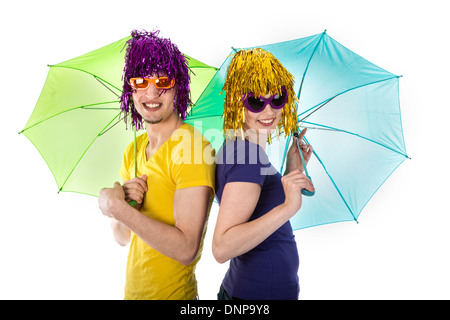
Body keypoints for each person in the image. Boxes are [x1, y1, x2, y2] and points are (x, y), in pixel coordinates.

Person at [98, 30, 215, 300]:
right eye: (140, 81)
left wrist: (118, 210)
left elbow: (186, 249)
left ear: (179, 88)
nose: (151, 92)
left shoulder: (192, 148)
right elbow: (122, 237)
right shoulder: (133, 150)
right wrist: (126, 204)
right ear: (130, 88)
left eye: (163, 81)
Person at [213, 48, 314, 300]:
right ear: (238, 103)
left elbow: (256, 208)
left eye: (277, 98)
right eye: (256, 101)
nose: (269, 112)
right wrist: (289, 208)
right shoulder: (248, 156)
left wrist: (293, 168)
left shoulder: (240, 147)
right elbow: (222, 247)